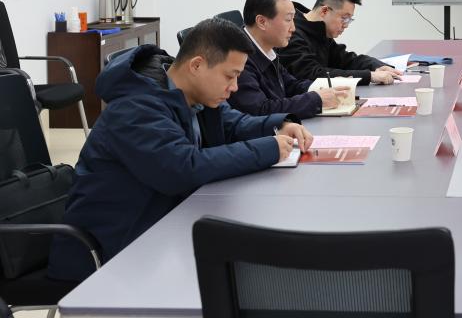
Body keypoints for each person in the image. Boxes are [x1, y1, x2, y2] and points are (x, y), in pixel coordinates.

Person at [49, 18, 313, 281]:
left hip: (161, 232)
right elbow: (184, 168)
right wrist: (269, 148)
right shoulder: (136, 107)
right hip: (112, 251)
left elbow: (234, 124)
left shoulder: (193, 93)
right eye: (230, 76)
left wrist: (279, 125)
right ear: (196, 65)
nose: (234, 87)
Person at [228, 0, 351, 119]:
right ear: (262, 22)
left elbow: (291, 85)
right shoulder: (239, 59)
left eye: (293, 19)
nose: (293, 28)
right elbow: (260, 110)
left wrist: (325, 86)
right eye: (288, 19)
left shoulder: (267, 50)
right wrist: (317, 100)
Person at [280, 0, 401, 85]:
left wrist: (376, 66)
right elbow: (311, 74)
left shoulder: (319, 30)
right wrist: (370, 76)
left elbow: (345, 60)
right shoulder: (291, 34)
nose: (346, 25)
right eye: (344, 18)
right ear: (324, 11)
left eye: (349, 20)